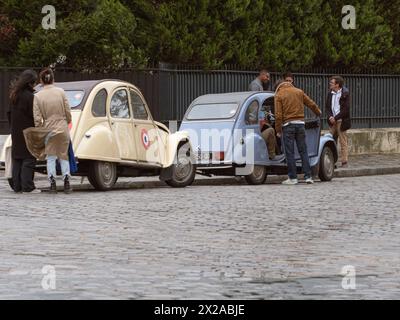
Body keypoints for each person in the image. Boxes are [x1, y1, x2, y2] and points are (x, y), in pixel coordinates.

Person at [31, 68, 73, 193]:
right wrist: (67, 121)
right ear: (53, 79)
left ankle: (52, 182)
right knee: (63, 155)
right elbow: (67, 111)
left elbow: (37, 118)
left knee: (50, 157)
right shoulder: (61, 92)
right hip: (62, 126)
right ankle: (66, 181)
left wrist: (40, 131)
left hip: (48, 128)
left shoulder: (37, 96)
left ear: (41, 81)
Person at [274, 80, 322, 185]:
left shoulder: (279, 94)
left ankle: (293, 177)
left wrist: (278, 130)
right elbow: (311, 103)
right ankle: (308, 176)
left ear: (278, 87)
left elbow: (278, 115)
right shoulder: (299, 91)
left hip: (288, 126)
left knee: (289, 153)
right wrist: (318, 112)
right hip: (300, 124)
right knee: (303, 151)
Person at [7, 69, 40, 194]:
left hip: (15, 130)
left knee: (17, 158)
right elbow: (34, 115)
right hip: (28, 130)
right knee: (29, 157)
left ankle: (17, 186)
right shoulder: (30, 97)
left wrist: (12, 127)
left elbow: (9, 113)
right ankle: (28, 186)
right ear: (30, 83)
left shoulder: (14, 95)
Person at [325, 75, 351, 167]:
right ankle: (331, 162)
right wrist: (330, 117)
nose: (330, 84)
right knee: (329, 140)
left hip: (341, 121)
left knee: (343, 141)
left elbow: (346, 109)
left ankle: (344, 162)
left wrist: (335, 118)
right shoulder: (330, 93)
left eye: (332, 83)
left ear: (337, 84)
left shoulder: (345, 93)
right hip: (332, 121)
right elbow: (327, 107)